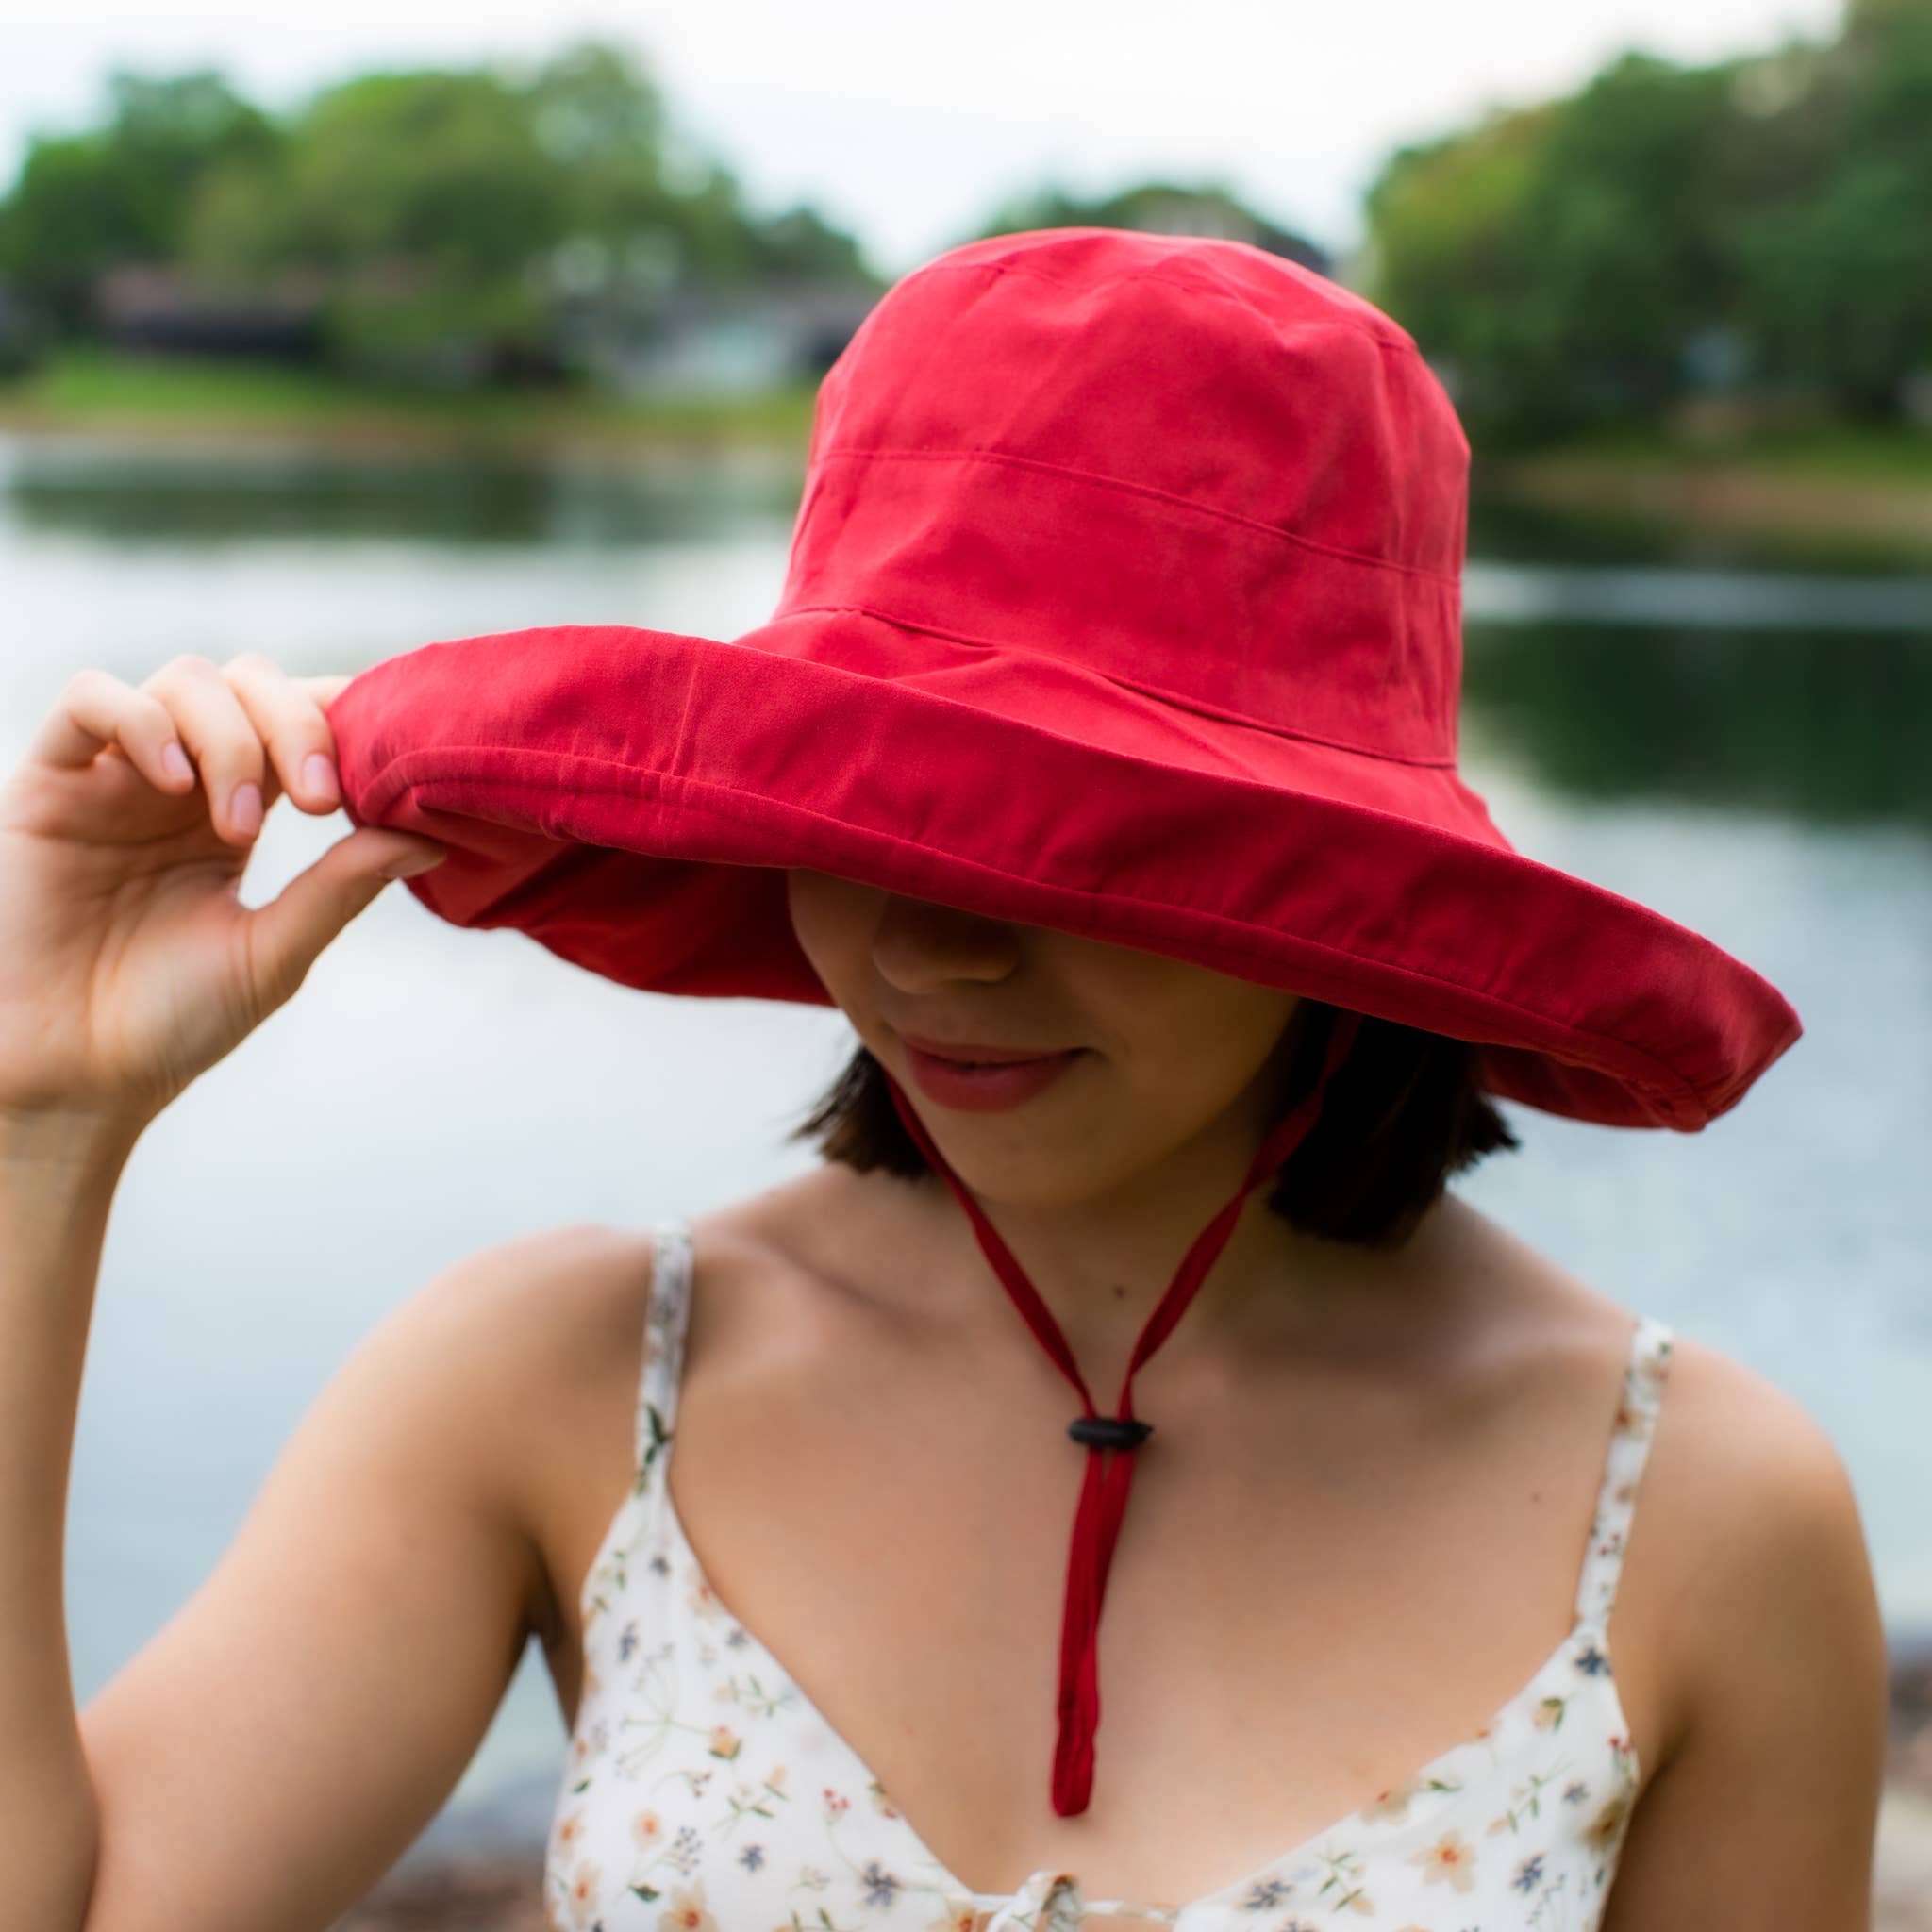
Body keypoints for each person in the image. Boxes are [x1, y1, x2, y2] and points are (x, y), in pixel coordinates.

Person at [0, 228, 1888, 1932]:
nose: (934, 950)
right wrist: (42, 1120)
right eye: (869, 810)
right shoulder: (570, 1378)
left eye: (1080, 853)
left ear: (1327, 895)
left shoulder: (1696, 1521)